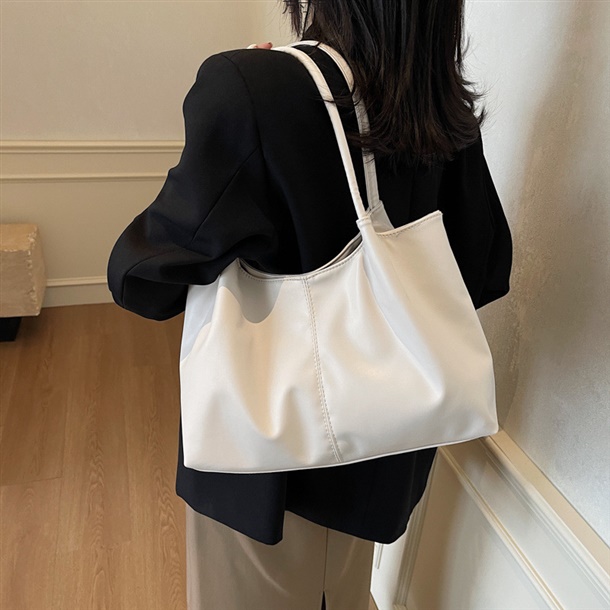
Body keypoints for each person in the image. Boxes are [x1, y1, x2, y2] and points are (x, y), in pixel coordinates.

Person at [107, 1, 513, 608]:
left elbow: (141, 277)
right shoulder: (437, 104)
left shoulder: (251, 88)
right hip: (384, 450)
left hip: (265, 469)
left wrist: (239, 118)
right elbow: (484, 269)